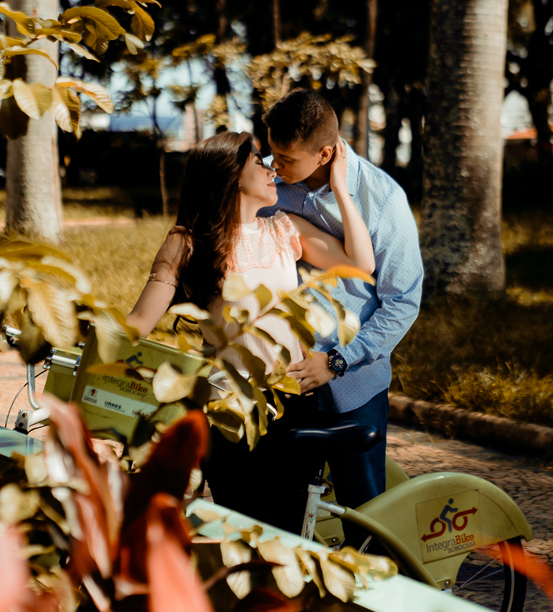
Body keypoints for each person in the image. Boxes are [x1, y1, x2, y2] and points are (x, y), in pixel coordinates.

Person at [127, 130, 374, 532]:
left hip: (293, 402)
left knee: (288, 533)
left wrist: (340, 188)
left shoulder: (283, 229)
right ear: (230, 174)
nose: (271, 169)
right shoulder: (187, 242)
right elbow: (139, 322)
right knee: (244, 531)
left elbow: (361, 263)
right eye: (259, 162)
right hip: (230, 410)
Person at [261, 88, 423, 535]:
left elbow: (402, 301)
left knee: (365, 522)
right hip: (283, 383)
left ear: (325, 153)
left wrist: (336, 361)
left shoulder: (382, 199)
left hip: (353, 384)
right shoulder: (268, 189)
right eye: (272, 153)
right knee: (282, 519)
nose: (275, 166)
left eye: (286, 159)